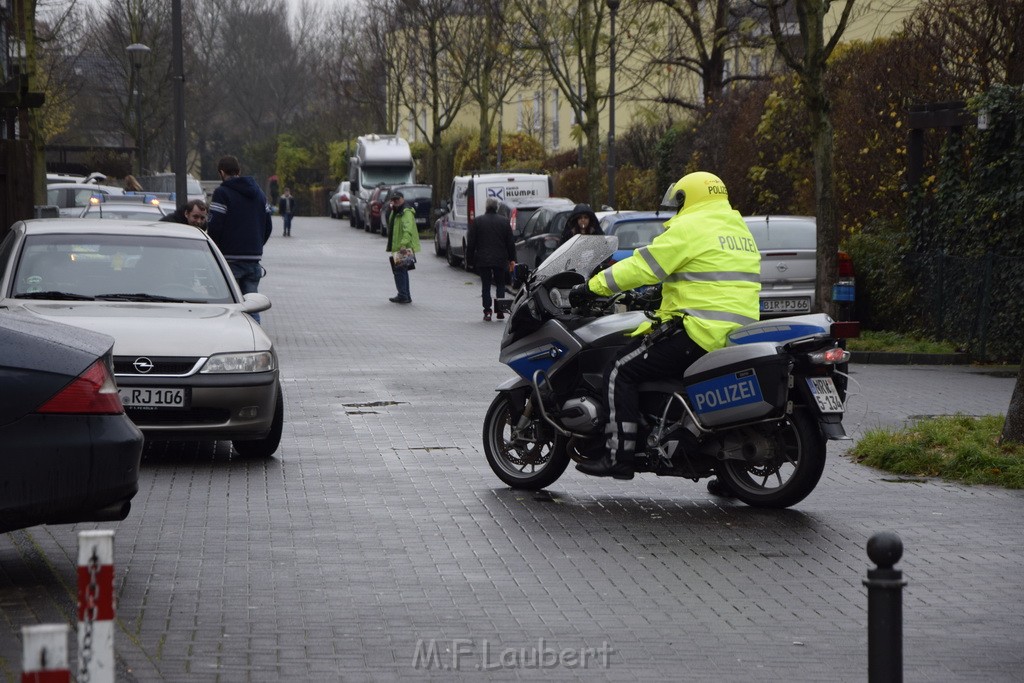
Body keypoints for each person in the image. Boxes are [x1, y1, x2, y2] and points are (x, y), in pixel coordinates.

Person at [569, 171, 761, 480]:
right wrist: (662, 292)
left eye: (679, 202)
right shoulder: (737, 229)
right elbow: (708, 276)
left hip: (699, 329)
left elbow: (644, 265)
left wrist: (592, 287)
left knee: (620, 370)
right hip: (736, 333)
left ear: (689, 198)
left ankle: (619, 456)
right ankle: (729, 475)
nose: (676, 210)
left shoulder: (690, 227)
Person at [207, 155, 273, 322]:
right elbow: (268, 224)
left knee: (231, 306)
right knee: (251, 305)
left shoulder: (222, 193)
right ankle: (254, 335)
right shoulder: (258, 192)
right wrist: (257, 245)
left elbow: (215, 226)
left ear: (221, 172)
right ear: (239, 171)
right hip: (253, 260)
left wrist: (215, 250)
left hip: (230, 260)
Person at [466, 197, 516, 322]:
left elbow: (471, 243)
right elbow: (510, 243)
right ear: (496, 207)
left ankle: (487, 311)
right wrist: (512, 259)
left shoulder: (478, 222)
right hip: (500, 259)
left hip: (483, 259)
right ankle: (500, 310)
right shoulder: (504, 222)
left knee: (486, 285)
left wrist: (469, 260)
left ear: (486, 207)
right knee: (500, 284)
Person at [384, 191, 420, 304]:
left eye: (397, 199)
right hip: (399, 246)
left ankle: (403, 295)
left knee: (399, 271)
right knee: (402, 270)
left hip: (404, 247)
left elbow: (407, 229)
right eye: (393, 200)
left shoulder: (406, 212)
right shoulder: (396, 211)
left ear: (403, 199)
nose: (396, 202)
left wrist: (403, 244)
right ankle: (405, 295)